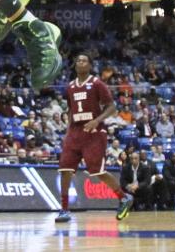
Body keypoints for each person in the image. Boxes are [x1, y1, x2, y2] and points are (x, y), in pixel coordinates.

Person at [54, 54, 133, 223]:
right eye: (78, 60)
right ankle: (64, 209)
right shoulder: (69, 87)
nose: (80, 62)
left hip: (94, 132)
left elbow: (112, 107)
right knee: (65, 170)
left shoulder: (97, 84)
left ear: (89, 65)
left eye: (84, 60)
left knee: (97, 171)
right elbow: (70, 111)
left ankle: (123, 197)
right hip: (75, 132)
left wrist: (96, 120)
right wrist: (68, 132)